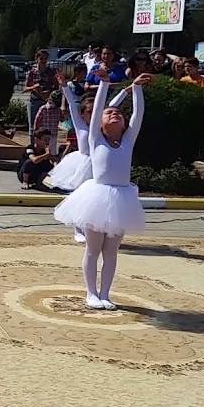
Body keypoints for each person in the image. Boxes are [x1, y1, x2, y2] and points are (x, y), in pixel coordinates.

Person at [53, 75, 152, 310]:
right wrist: (105, 85)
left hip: (122, 199)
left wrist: (136, 89)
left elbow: (138, 117)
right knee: (93, 248)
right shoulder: (96, 140)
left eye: (117, 112)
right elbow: (96, 110)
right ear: (99, 124)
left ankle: (105, 294)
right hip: (97, 198)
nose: (114, 114)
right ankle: (91, 293)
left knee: (111, 251)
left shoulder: (128, 140)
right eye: (109, 114)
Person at [49, 81, 130, 195]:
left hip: (99, 163)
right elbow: (72, 104)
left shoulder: (100, 127)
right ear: (82, 114)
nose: (93, 114)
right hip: (83, 163)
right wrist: (64, 86)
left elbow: (112, 105)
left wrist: (126, 91)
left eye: (95, 111)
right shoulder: (80, 125)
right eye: (89, 112)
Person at [34, 90, 64, 157]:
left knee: (52, 152)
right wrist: (36, 131)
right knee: (43, 151)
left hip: (53, 135)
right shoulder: (43, 108)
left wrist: (65, 113)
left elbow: (62, 119)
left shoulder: (58, 110)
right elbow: (37, 119)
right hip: (43, 135)